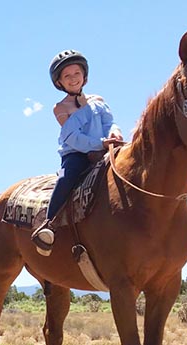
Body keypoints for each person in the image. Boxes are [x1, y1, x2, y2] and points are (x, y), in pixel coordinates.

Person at [31, 50, 123, 256]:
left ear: (84, 76)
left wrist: (114, 133)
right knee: (67, 177)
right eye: (67, 76)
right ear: (59, 83)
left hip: (106, 147)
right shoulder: (60, 108)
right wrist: (86, 115)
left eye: (76, 73)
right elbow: (72, 136)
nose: (73, 79)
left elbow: (109, 121)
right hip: (77, 153)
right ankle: (49, 223)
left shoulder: (98, 99)